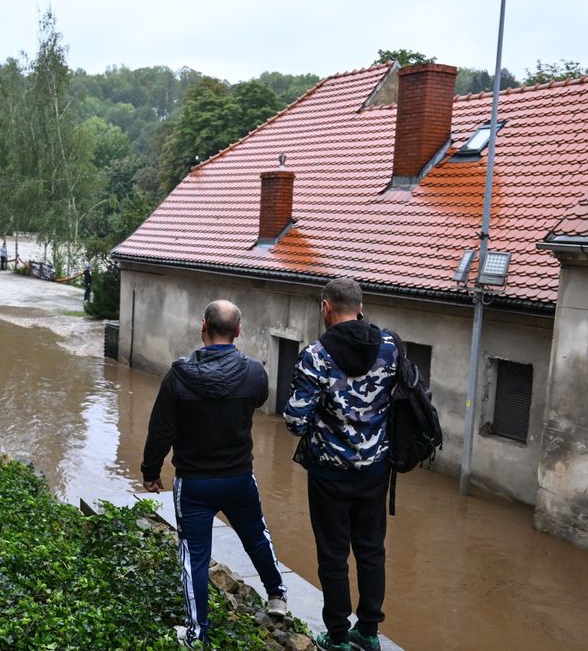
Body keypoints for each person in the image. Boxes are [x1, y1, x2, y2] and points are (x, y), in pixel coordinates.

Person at [142, 300, 287, 648]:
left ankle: (197, 636)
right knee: (256, 536)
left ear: (203, 326)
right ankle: (277, 596)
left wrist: (151, 470)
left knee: (194, 557)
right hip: (239, 477)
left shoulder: (178, 377)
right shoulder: (254, 373)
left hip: (194, 483)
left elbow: (160, 430)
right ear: (239, 331)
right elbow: (255, 401)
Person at [283, 277, 399, 651]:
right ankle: (369, 632)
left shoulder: (315, 354)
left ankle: (337, 637)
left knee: (333, 554)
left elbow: (295, 420)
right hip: (376, 468)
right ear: (360, 307)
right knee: (371, 549)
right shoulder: (390, 346)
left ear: (326, 307)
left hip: (329, 472)